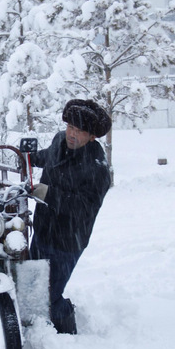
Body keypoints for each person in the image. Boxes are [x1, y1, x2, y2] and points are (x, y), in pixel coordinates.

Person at [28, 99, 111, 335]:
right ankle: (38, 327)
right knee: (32, 285)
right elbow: (48, 156)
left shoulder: (97, 168)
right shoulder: (60, 140)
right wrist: (28, 158)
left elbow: (82, 208)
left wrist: (46, 192)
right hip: (43, 230)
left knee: (50, 297)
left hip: (67, 241)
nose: (72, 135)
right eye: (70, 128)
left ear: (92, 137)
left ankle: (67, 336)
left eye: (80, 131)